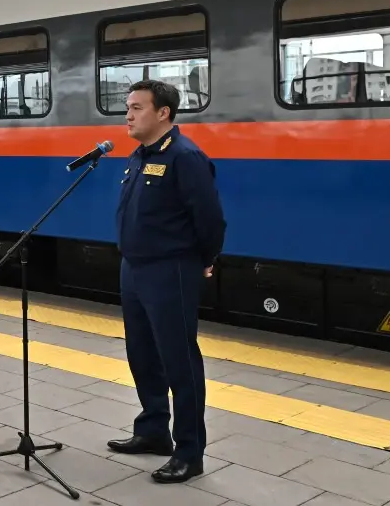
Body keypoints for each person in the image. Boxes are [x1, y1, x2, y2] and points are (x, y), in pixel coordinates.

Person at [107, 79, 225, 485]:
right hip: (134, 268)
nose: (128, 114)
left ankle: (189, 452)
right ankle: (153, 429)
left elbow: (209, 219)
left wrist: (204, 260)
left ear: (163, 113)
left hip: (170, 269)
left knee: (178, 359)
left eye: (137, 107)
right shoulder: (139, 156)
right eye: (128, 107)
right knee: (141, 352)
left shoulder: (185, 157)